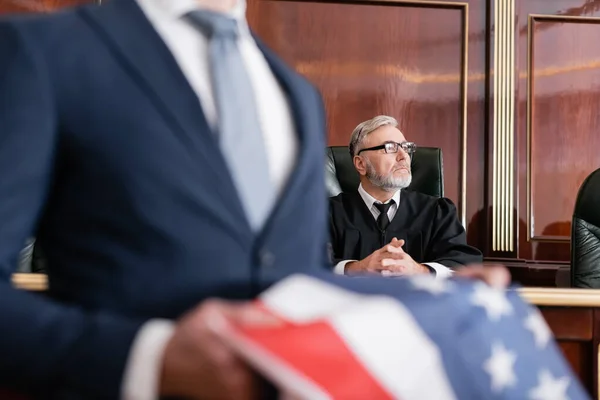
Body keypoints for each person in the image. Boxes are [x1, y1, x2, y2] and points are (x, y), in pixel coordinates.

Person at [0, 1, 560, 399]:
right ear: (359, 161)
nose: (400, 154)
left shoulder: (294, 93)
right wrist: (149, 359)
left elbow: (284, 285)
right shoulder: (45, 53)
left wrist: (430, 299)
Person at [329, 115, 483, 277]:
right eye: (390, 147)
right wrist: (356, 268)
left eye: (406, 147)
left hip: (418, 302)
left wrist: (419, 270)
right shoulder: (326, 213)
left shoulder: (437, 212)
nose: (404, 156)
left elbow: (464, 265)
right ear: (361, 164)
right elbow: (305, 261)